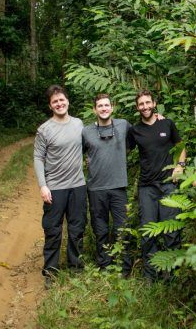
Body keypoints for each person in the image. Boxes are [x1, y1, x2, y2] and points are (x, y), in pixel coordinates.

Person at [127, 90, 187, 281]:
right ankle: (150, 276)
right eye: (141, 104)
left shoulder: (167, 123)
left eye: (147, 103)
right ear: (137, 108)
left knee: (171, 230)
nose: (145, 107)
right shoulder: (135, 130)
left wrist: (180, 165)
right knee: (148, 231)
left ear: (154, 103)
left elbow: (181, 147)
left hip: (169, 184)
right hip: (147, 187)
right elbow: (124, 149)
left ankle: (172, 274)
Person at [33, 85, 87, 287]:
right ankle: (51, 272)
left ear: (68, 101)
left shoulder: (79, 124)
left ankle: (76, 266)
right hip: (54, 187)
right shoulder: (44, 130)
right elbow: (38, 158)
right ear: (50, 106)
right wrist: (42, 186)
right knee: (53, 230)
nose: (59, 103)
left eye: (62, 100)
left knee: (77, 228)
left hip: (78, 186)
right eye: (55, 101)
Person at [81, 93, 133, 275]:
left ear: (112, 107)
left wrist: (159, 118)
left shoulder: (124, 125)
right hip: (96, 188)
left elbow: (136, 140)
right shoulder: (86, 131)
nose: (103, 108)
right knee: (100, 229)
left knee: (121, 229)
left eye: (106, 105)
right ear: (94, 109)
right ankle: (104, 266)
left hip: (119, 186)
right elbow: (79, 152)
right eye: (100, 106)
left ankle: (124, 268)